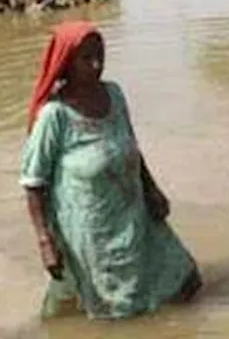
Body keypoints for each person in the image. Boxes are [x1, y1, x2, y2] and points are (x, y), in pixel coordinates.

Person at [20, 20, 201, 319]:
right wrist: (45, 241)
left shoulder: (114, 95)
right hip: (92, 227)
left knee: (184, 283)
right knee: (118, 308)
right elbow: (33, 182)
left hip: (134, 210)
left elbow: (131, 145)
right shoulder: (55, 116)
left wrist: (152, 189)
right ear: (67, 63)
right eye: (86, 58)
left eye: (100, 55)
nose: (96, 64)